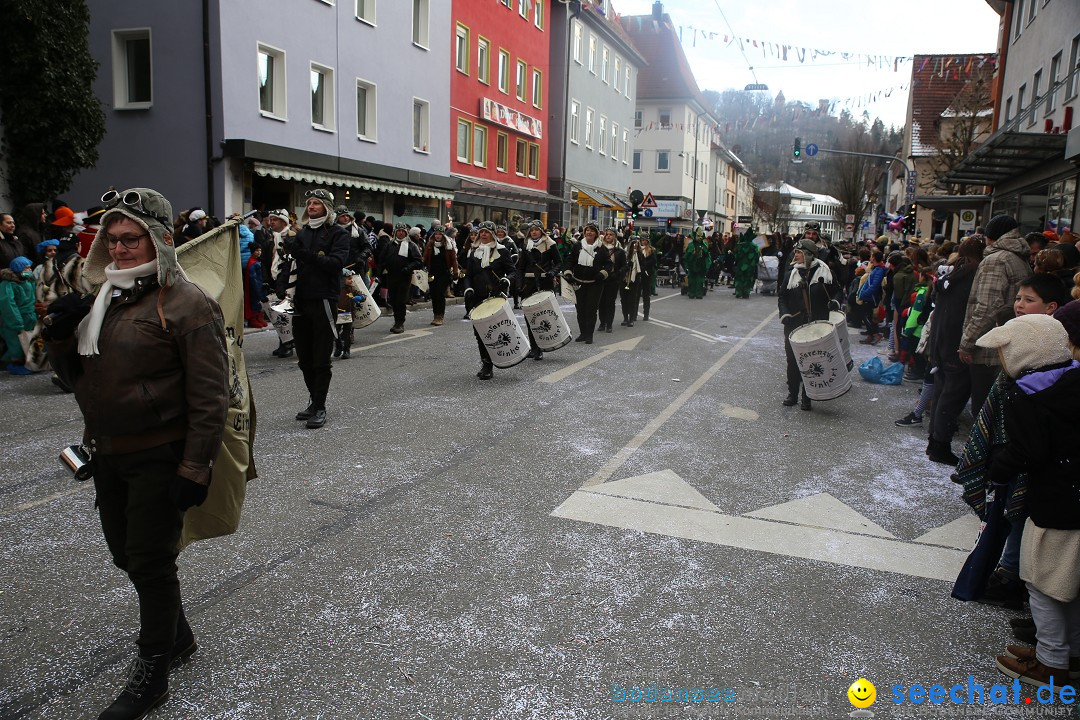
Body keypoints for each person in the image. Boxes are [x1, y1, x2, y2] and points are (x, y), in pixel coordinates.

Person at [42, 187, 229, 719]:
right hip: (109, 452)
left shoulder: (186, 303)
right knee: (127, 554)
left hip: (159, 452)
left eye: (132, 239)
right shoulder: (105, 299)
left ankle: (152, 671)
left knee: (148, 558)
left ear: (160, 242)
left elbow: (211, 394)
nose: (120, 250)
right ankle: (178, 634)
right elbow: (79, 380)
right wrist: (60, 337)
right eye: (113, 240)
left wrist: (195, 466)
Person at [981, 314, 1080, 689]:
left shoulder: (1029, 394)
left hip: (1055, 502)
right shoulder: (1073, 377)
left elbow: (1029, 451)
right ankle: (1071, 654)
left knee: (1045, 582)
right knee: (1071, 581)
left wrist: (997, 469)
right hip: (1076, 496)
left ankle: (1051, 662)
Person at [284, 189, 350, 429]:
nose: (311, 206)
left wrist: (305, 256)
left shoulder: (338, 234)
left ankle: (320, 406)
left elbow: (336, 264)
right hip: (300, 300)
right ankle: (314, 401)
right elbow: (293, 263)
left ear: (327, 207)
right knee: (304, 358)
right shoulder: (301, 233)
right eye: (309, 203)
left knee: (321, 358)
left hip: (323, 299)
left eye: (316, 203)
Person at [959, 214, 1032, 417]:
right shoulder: (1018, 257)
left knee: (984, 412)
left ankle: (983, 449)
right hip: (1008, 343)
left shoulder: (996, 260)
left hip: (989, 347)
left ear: (991, 237)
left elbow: (987, 306)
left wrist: (967, 341)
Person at [778, 238, 839, 411]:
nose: (795, 255)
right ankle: (792, 394)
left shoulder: (825, 272)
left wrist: (834, 302)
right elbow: (782, 296)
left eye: (798, 252)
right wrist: (785, 314)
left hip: (816, 324)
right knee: (793, 360)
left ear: (808, 254)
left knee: (811, 361)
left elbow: (837, 291)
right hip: (794, 323)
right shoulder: (791, 273)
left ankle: (808, 396)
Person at [462, 221, 516, 379]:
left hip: (495, 298)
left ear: (492, 234)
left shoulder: (502, 251)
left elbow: (512, 271)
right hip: (477, 297)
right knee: (479, 333)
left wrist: (507, 280)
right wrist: (468, 289)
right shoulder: (474, 252)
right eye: (481, 232)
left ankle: (492, 363)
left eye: (486, 232)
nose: (483, 234)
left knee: (494, 332)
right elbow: (469, 275)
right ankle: (486, 363)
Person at [562, 222, 612, 345]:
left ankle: (589, 335)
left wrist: (602, 273)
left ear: (596, 233)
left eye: (592, 230)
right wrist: (568, 272)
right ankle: (583, 333)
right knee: (580, 309)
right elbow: (570, 260)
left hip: (595, 283)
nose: (589, 232)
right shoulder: (578, 246)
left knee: (591, 310)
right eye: (587, 230)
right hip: (578, 283)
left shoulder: (602, 248)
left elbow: (609, 264)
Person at [517, 219, 561, 358]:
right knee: (530, 315)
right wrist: (519, 284)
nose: (534, 232)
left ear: (541, 231)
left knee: (542, 316)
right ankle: (534, 347)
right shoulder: (526, 246)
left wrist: (552, 273)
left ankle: (541, 347)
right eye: (531, 230)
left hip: (544, 282)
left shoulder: (550, 244)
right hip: (528, 283)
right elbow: (520, 267)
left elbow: (559, 262)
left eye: (536, 229)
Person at [378, 223, 423, 334]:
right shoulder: (389, 244)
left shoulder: (411, 245)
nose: (401, 233)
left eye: (403, 231)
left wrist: (408, 268)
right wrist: (380, 273)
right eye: (399, 231)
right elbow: (382, 260)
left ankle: (400, 323)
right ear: (395, 232)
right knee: (393, 300)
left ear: (406, 233)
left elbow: (418, 261)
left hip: (404, 276)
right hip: (391, 276)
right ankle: (396, 320)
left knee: (401, 300)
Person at [266, 209, 296, 358]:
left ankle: (289, 344)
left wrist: (284, 284)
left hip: (288, 280)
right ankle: (283, 342)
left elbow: (290, 262)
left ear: (284, 222)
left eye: (275, 220)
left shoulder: (291, 237)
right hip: (275, 278)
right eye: (271, 220)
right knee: (278, 311)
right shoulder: (272, 237)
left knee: (285, 312)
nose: (272, 222)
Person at [1, 256, 37, 374]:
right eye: (26, 268)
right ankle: (15, 363)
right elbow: (8, 303)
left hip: (29, 316)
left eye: (29, 268)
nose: (29, 270)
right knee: (15, 342)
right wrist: (16, 321)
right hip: (16, 318)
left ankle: (27, 361)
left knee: (28, 341)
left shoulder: (29, 281)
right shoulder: (8, 284)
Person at [422, 225, 459, 326]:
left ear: (443, 235)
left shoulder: (448, 245)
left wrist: (455, 273)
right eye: (436, 234)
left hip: (444, 273)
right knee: (434, 294)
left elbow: (454, 260)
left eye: (440, 234)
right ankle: (435, 314)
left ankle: (440, 316)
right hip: (432, 273)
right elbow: (424, 258)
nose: (438, 236)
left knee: (440, 294)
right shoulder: (430, 245)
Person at [598, 227, 626, 332]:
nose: (608, 236)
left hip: (613, 279)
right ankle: (602, 322)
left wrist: (617, 274)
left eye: (611, 234)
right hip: (602, 278)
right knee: (601, 302)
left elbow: (624, 266)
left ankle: (609, 324)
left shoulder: (619, 251)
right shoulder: (600, 248)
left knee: (610, 302)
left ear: (615, 236)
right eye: (607, 234)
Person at [620, 236, 647, 327]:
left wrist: (637, 270)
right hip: (624, 279)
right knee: (624, 299)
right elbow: (620, 266)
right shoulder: (624, 253)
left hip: (635, 279)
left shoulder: (640, 254)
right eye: (633, 243)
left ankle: (631, 318)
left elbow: (643, 266)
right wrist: (627, 266)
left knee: (632, 299)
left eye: (636, 243)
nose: (635, 245)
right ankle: (625, 318)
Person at [732, 228, 759, 299]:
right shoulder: (755, 246)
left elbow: (736, 256)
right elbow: (757, 258)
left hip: (740, 265)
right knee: (748, 279)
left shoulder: (740, 245)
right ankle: (746, 293)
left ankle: (738, 292)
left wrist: (737, 262)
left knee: (739, 278)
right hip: (750, 266)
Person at [684, 230, 711, 299]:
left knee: (700, 281)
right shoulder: (691, 245)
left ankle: (699, 293)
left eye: (701, 236)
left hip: (701, 265)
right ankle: (691, 293)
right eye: (698, 236)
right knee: (692, 281)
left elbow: (707, 255)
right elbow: (686, 256)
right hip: (692, 265)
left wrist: (707, 265)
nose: (700, 238)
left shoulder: (704, 245)